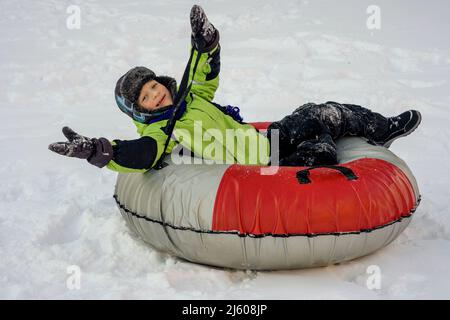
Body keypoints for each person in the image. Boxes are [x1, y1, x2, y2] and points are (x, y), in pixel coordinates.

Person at [49, 5, 421, 170]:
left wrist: (205, 43)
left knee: (318, 112)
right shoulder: (162, 132)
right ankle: (320, 152)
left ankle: (382, 129)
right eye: (145, 98)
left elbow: (201, 74)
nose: (155, 95)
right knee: (319, 152)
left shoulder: (189, 99)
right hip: (262, 165)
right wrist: (98, 151)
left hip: (263, 141)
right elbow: (139, 155)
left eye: (153, 86)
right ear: (140, 111)